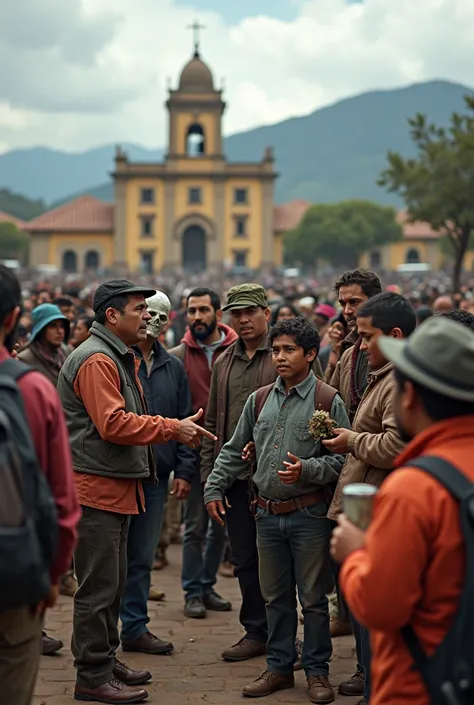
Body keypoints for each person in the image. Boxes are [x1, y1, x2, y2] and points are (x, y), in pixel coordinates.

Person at [57, 279, 216, 705]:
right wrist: (173, 428)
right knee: (97, 589)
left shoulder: (115, 355)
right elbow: (114, 423)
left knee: (114, 583)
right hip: (96, 490)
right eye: (138, 309)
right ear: (112, 315)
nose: (147, 316)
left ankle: (105, 661)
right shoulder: (96, 360)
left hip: (114, 488)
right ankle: (92, 674)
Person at [204, 317, 349, 702]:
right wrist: (214, 486)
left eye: (288, 350)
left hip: (309, 515)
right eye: (276, 350)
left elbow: (343, 461)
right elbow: (236, 449)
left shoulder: (325, 400)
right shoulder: (260, 399)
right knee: (275, 597)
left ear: (310, 354)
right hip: (266, 515)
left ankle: (317, 672)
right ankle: (280, 668)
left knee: (314, 600)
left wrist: (309, 469)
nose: (280, 357)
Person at [331, 316, 474, 705]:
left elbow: (382, 607)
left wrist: (358, 552)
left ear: (410, 396)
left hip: (421, 686)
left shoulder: (415, 488)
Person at [323, 292, 416, 704]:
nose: (360, 347)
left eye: (366, 337)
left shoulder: (399, 380)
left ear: (395, 336)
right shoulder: (386, 374)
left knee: (375, 616)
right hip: (371, 508)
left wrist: (351, 440)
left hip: (381, 512)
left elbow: (398, 445)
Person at [0, 264, 80, 705]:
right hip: (13, 568)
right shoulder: (32, 388)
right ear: (14, 319)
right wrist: (51, 574)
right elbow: (62, 500)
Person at [200, 284, 280, 662]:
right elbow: (214, 424)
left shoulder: (283, 354)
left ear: (267, 311)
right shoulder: (224, 362)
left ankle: (285, 634)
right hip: (234, 477)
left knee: (280, 562)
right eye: (236, 314)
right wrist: (209, 479)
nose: (243, 320)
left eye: (250, 312)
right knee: (244, 558)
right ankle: (256, 631)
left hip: (279, 476)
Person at [120, 291, 196, 654]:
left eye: (158, 317)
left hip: (156, 476)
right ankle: (104, 631)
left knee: (142, 556)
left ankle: (134, 626)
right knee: (111, 556)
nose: (151, 323)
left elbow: (184, 420)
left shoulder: (173, 367)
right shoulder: (116, 361)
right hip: (118, 474)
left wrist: (183, 469)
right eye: (145, 314)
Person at [169, 287, 237, 619]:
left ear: (218, 314)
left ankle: (208, 586)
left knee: (222, 524)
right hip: (196, 452)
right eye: (191, 311)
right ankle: (192, 592)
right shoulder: (178, 356)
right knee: (195, 526)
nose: (197, 317)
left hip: (232, 452)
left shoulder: (238, 350)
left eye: (203, 310)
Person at [324, 269, 382, 647]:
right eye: (343, 302)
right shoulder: (348, 353)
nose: (346, 310)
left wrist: (354, 440)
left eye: (354, 302)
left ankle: (373, 671)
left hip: (382, 478)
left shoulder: (390, 356)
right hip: (350, 471)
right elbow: (337, 402)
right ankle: (364, 663)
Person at [18, 303, 70, 387]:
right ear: (41, 330)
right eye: (53, 326)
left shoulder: (66, 351)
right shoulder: (25, 359)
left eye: (62, 326)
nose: (60, 331)